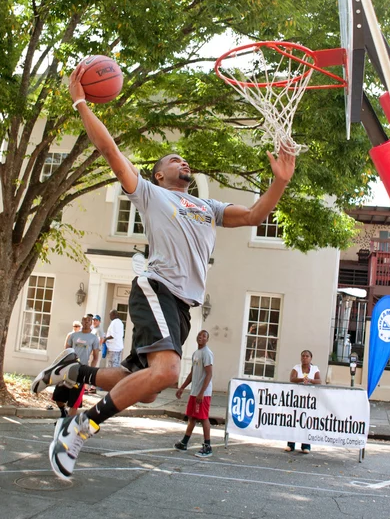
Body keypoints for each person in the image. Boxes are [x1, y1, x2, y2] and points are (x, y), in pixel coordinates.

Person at [31, 64, 296, 481]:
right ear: (159, 174)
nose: (183, 160)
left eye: (184, 159)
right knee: (169, 371)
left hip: (181, 304)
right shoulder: (151, 194)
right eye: (174, 159)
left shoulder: (208, 208)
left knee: (148, 385)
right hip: (156, 286)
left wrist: (280, 182)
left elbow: (255, 214)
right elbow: (110, 151)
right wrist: (81, 102)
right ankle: (78, 428)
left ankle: (71, 371)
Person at [174, 330, 213, 457]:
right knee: (192, 417)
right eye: (199, 335)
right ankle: (184, 442)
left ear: (207, 339)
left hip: (203, 393)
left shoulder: (207, 353)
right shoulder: (196, 353)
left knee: (203, 417)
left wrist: (201, 393)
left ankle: (207, 446)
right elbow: (192, 373)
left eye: (204, 336)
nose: (200, 337)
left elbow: (209, 374)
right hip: (194, 391)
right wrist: (182, 387)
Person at [52, 316, 100, 418]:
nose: (86, 322)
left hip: (81, 371)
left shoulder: (94, 338)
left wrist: (90, 372)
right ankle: (63, 412)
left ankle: (67, 423)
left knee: (74, 402)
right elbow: (66, 352)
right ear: (82, 321)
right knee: (58, 396)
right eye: (85, 320)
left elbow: (95, 357)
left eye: (89, 321)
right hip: (68, 368)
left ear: (91, 323)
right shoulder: (73, 335)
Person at [285, 350, 321, 454]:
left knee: (306, 421)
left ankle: (306, 446)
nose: (304, 358)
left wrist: (310, 380)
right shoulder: (296, 367)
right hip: (296, 398)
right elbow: (292, 378)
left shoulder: (315, 369)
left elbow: (319, 380)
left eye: (307, 356)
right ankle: (290, 444)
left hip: (309, 399)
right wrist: (302, 379)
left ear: (311, 358)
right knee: (293, 420)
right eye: (303, 356)